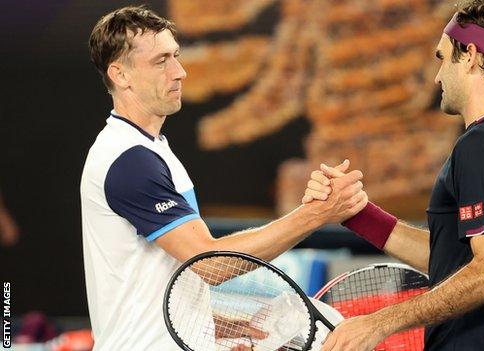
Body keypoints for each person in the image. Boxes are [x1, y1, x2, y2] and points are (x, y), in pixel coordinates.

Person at [81, 6, 367, 350]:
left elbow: (157, 276)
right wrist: (316, 214)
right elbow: (209, 262)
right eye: (161, 62)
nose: (180, 72)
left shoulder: (149, 148)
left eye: (176, 56)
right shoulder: (130, 160)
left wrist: (212, 325)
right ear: (120, 75)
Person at [304, 1, 484, 350]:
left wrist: (380, 322)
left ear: (471, 55)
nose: (437, 76)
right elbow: (454, 262)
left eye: (443, 58)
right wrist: (357, 214)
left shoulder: (481, 145)